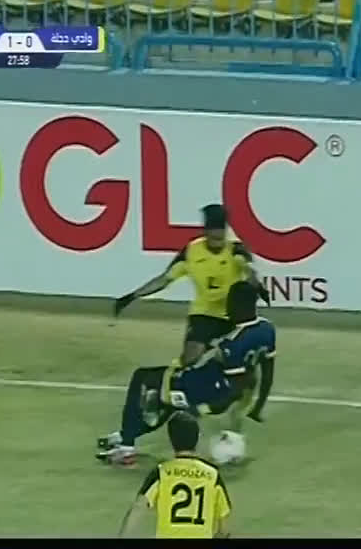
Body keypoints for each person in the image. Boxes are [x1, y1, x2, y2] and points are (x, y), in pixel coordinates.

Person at [97, 281, 276, 465]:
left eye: (230, 302)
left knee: (143, 378)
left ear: (240, 305)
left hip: (205, 389)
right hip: (208, 380)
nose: (227, 306)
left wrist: (200, 409)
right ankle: (127, 433)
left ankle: (126, 447)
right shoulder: (266, 328)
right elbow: (268, 372)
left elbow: (234, 390)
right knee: (164, 403)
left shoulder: (235, 342)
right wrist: (258, 406)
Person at [113, 204, 270, 366]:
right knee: (190, 360)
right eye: (215, 238)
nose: (219, 242)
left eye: (221, 237)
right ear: (206, 232)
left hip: (234, 315)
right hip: (203, 315)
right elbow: (164, 280)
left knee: (237, 361)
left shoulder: (235, 249)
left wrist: (258, 286)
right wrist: (133, 295)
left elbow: (249, 270)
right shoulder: (191, 252)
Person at [119, 411, 232, 539]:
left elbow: (139, 506)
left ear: (171, 440)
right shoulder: (212, 475)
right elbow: (224, 526)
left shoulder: (162, 472)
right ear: (197, 438)